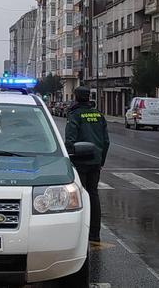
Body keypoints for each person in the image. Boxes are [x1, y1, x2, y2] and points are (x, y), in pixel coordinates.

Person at [65, 86, 109, 246]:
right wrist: (101, 161)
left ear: (76, 98)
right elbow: (106, 141)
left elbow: (70, 140)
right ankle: (95, 234)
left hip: (80, 161)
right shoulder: (98, 114)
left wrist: (69, 159)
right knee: (93, 195)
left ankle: (81, 233)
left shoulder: (75, 115)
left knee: (80, 197)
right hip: (95, 161)